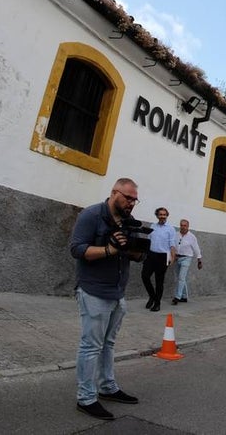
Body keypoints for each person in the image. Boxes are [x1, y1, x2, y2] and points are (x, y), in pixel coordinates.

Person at [68, 178, 144, 420]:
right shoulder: (92, 215)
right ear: (114, 193)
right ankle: (86, 397)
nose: (132, 203)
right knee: (91, 345)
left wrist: (132, 249)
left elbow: (138, 256)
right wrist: (110, 250)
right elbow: (77, 249)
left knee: (108, 344)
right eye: (128, 197)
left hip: (117, 293)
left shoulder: (130, 222)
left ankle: (108, 387)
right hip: (93, 291)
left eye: (135, 199)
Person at [141, 207, 175, 312]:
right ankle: (152, 296)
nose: (162, 216)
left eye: (164, 215)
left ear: (167, 216)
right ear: (157, 216)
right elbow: (149, 241)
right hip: (151, 255)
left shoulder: (170, 229)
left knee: (159, 281)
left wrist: (172, 258)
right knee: (145, 276)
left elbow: (172, 245)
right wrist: (145, 254)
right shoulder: (153, 226)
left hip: (162, 257)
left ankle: (157, 303)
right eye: (160, 214)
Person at [171, 218, 202, 306]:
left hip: (186, 258)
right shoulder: (176, 234)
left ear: (188, 226)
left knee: (181, 278)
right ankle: (184, 297)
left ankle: (177, 297)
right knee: (180, 278)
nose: (183, 227)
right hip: (177, 258)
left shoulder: (192, 237)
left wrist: (199, 260)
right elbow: (172, 245)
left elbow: (196, 248)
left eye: (185, 225)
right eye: (181, 225)